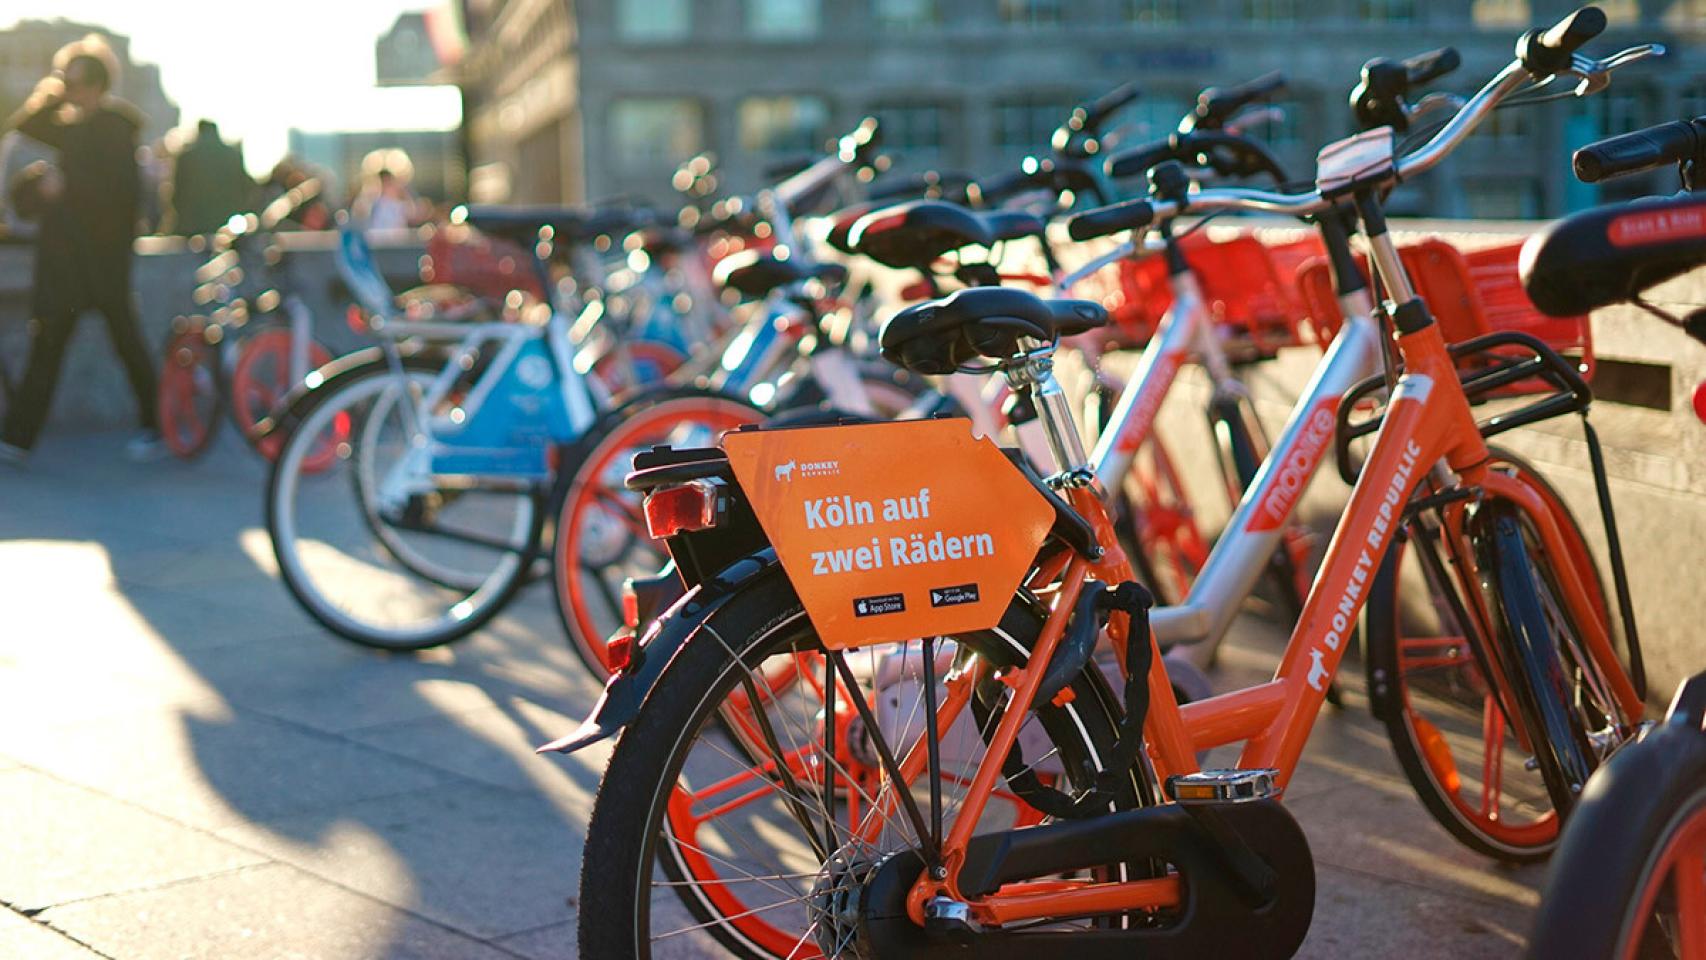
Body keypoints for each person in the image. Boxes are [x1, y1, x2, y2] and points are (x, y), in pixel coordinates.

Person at [0, 36, 161, 465]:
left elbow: (123, 195)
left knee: (128, 346)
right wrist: (51, 89)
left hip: (102, 263)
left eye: (73, 81)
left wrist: (67, 188)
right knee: (46, 347)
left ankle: (157, 425)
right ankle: (17, 438)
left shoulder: (116, 127)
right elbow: (23, 126)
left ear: (94, 84)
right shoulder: (68, 125)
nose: (68, 89)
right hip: (65, 264)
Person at [166, 120, 252, 236]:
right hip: (227, 225)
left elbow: (178, 193)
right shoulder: (233, 155)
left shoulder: (187, 157)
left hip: (193, 226)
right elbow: (246, 190)